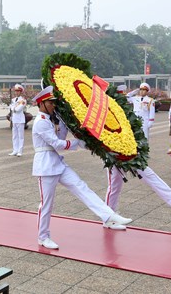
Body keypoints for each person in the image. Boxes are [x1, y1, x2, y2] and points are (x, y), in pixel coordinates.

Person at [32, 86, 132, 250]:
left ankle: (108, 216)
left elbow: (63, 136)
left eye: (54, 103)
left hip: (57, 163)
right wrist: (77, 143)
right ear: (41, 103)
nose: (53, 106)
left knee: (81, 187)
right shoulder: (41, 122)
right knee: (47, 203)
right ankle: (43, 237)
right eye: (50, 103)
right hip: (45, 166)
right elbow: (57, 144)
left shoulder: (53, 118)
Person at [106, 85, 171, 212]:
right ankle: (108, 214)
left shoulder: (126, 110)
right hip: (115, 153)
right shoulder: (112, 111)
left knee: (143, 175)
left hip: (126, 152)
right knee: (113, 187)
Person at [9, 84, 27, 157]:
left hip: (20, 120)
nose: (16, 92)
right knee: (14, 136)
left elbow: (18, 109)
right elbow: (11, 108)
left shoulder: (23, 100)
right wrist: (14, 108)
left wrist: (13, 108)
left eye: (18, 91)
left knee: (20, 136)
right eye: (16, 91)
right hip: (14, 119)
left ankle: (20, 151)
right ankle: (15, 150)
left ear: (21, 92)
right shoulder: (13, 100)